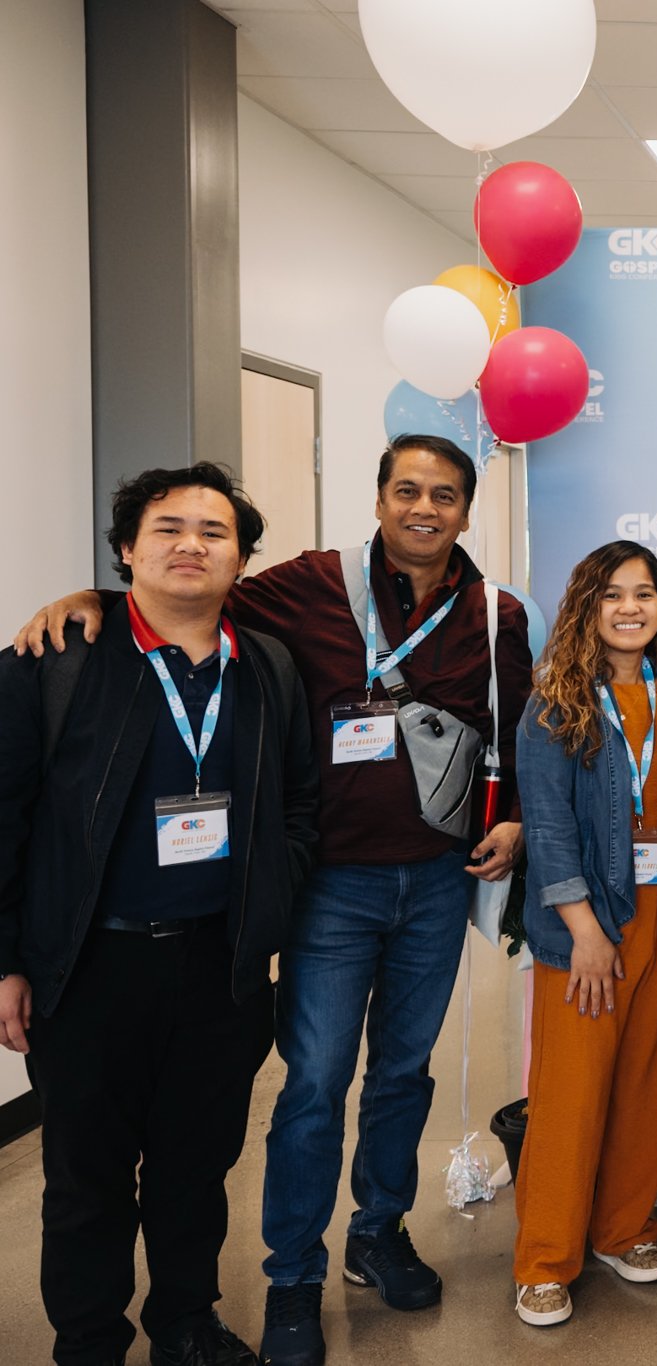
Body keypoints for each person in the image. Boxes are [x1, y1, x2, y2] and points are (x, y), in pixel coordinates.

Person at [10, 434, 531, 1366]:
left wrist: (517, 818)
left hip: (425, 884)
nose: (424, 508)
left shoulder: (494, 614)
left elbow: (511, 728)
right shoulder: (304, 586)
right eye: (407, 489)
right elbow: (181, 597)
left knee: (398, 1075)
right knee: (313, 1083)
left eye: (445, 494)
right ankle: (291, 1274)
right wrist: (90, 600)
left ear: (466, 508)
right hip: (324, 890)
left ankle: (375, 1232)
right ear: (378, 497)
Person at [0, 464, 318, 1366]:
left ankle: (185, 1322)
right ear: (126, 550)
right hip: (90, 969)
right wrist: (8, 959)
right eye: (168, 528)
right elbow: (5, 814)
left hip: (219, 969)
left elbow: (300, 803)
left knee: (195, 1169)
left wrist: (272, 896)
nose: (191, 545)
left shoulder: (268, 667)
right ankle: (88, 1342)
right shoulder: (54, 661)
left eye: (214, 532)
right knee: (85, 1180)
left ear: (241, 560)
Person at [510, 541, 657, 1327]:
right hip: (588, 925)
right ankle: (545, 1260)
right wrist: (585, 929)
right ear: (586, 608)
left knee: (649, 1081)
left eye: (643, 593)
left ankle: (624, 1229)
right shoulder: (554, 703)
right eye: (612, 594)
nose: (629, 607)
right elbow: (549, 826)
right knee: (572, 1091)